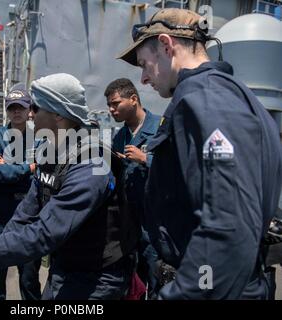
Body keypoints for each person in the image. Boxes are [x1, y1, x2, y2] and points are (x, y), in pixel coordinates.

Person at [0, 73, 140, 300]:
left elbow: (44, 233)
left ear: (58, 116)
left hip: (98, 280)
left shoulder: (91, 164)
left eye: (36, 107)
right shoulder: (51, 152)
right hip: (64, 267)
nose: (30, 113)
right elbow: (23, 217)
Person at [117, 8, 282, 299]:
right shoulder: (231, 94)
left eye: (144, 64)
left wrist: (183, 292)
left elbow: (229, 227)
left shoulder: (204, 98)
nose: (143, 78)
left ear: (167, 45)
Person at [0, 85, 41, 300]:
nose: (16, 112)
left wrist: (9, 166)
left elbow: (45, 169)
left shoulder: (41, 137)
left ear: (29, 110)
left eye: (21, 107)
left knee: (29, 274)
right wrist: (27, 167)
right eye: (12, 107)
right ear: (7, 110)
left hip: (30, 210)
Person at [104, 78, 160, 297]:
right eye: (110, 104)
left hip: (155, 227)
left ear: (133, 99)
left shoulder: (160, 129)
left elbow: (177, 169)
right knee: (131, 286)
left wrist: (145, 158)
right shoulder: (121, 137)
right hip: (129, 226)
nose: (111, 109)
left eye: (115, 103)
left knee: (158, 283)